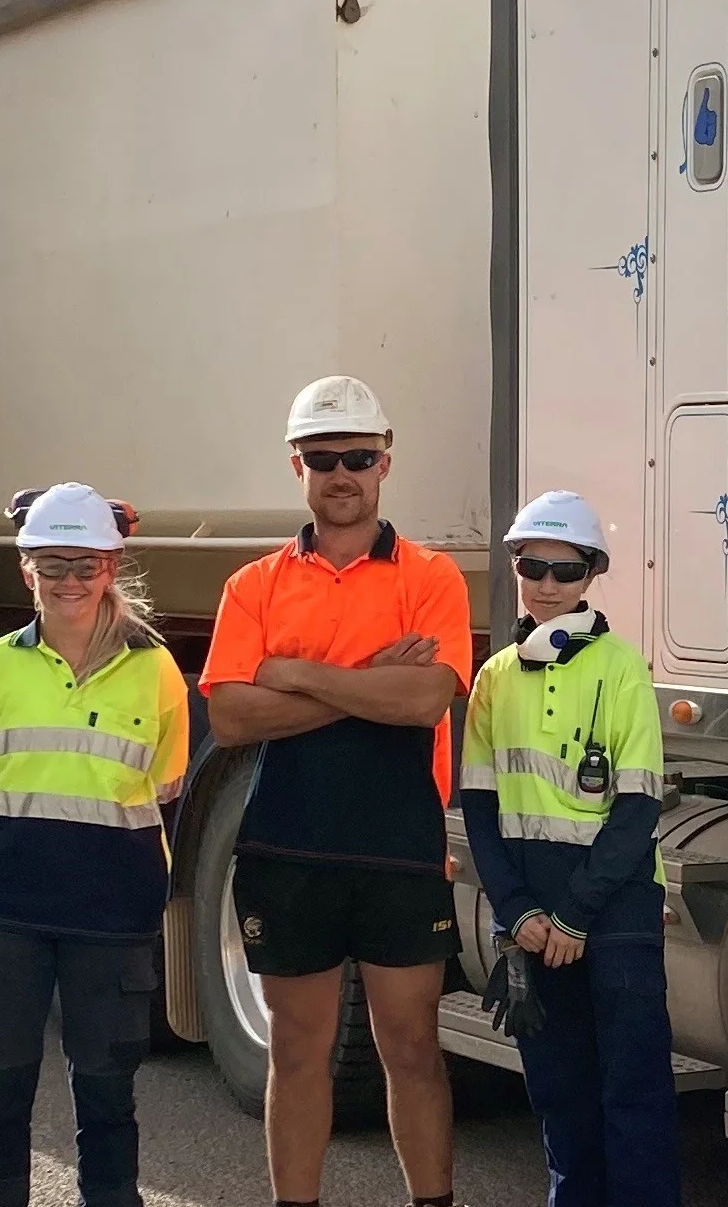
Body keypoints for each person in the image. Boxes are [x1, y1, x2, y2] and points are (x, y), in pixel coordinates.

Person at [201, 377, 472, 1207]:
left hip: (397, 848)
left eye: (358, 456)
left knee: (413, 1048)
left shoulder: (431, 575)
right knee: (297, 1050)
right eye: (324, 459)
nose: (341, 473)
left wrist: (300, 678)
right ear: (299, 466)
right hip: (287, 849)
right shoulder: (254, 584)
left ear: (386, 460)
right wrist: (365, 684)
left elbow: (426, 699)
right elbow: (234, 715)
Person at [0, 484, 191, 1207]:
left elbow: (164, 789)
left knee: (109, 1096)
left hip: (110, 918)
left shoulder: (156, 670)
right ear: (27, 569)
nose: (70, 581)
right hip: (7, 914)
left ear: (112, 565)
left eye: (85, 564)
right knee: (0, 1094)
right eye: (53, 565)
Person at [457, 491, 677, 1207]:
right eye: (533, 566)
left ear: (590, 574)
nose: (547, 584)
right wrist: (518, 914)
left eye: (564, 569)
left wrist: (575, 917)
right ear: (516, 566)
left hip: (613, 916)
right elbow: (482, 813)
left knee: (633, 1097)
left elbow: (637, 806)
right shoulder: (492, 679)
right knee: (561, 1102)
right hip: (532, 921)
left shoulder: (620, 667)